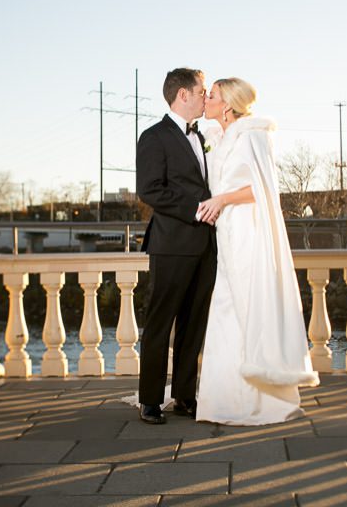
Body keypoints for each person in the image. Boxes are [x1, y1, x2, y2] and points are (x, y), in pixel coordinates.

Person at [194, 77, 319, 426]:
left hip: (248, 231)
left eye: (213, 95)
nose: (206, 99)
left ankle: (262, 400)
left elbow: (262, 189)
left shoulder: (252, 135)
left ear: (229, 105)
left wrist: (221, 199)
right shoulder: (222, 139)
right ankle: (224, 400)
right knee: (226, 311)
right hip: (229, 233)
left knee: (248, 306)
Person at [135, 68, 216, 425]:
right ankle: (150, 400)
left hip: (206, 247)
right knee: (160, 324)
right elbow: (150, 190)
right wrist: (197, 211)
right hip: (171, 245)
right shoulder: (154, 137)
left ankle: (185, 396)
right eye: (201, 92)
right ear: (182, 95)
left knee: (193, 324)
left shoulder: (203, 135)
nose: (205, 97)